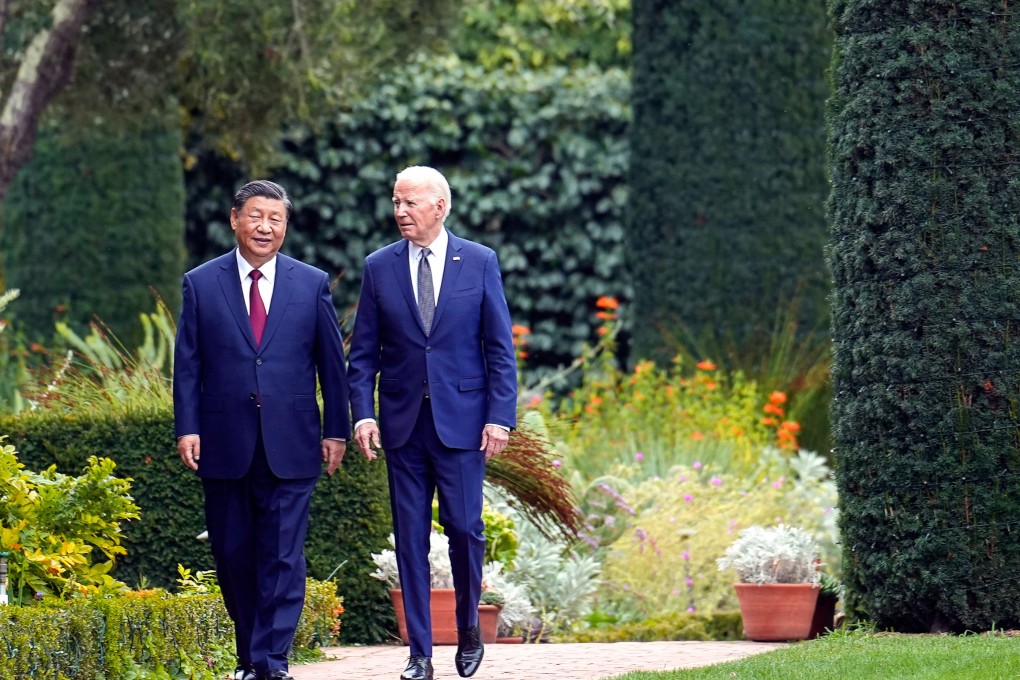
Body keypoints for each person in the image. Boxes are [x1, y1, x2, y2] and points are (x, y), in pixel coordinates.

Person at [173, 180, 361, 680]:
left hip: (293, 441)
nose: (265, 227)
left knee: (282, 555)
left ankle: (270, 661)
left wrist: (336, 431)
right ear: (235, 219)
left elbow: (331, 366)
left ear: (285, 226)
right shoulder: (201, 282)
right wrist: (186, 427)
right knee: (233, 554)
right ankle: (248, 656)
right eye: (256, 216)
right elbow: (188, 365)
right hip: (224, 441)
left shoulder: (311, 282)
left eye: (276, 219)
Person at [348, 166, 518, 680]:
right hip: (402, 425)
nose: (400, 211)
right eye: (396, 202)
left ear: (439, 207)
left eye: (410, 203)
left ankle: (469, 629)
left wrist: (499, 418)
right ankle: (418, 652)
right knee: (410, 537)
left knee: (465, 529)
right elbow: (362, 356)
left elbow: (499, 349)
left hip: (464, 425)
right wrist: (363, 413)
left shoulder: (480, 261)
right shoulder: (379, 267)